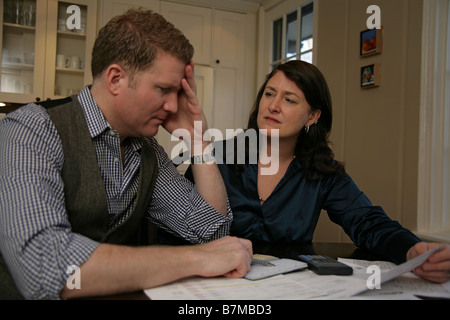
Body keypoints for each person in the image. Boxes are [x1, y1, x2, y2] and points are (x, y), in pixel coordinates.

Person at [0, 9, 252, 300]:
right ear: (116, 79)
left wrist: (198, 142)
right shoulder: (30, 129)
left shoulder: (147, 153)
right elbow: (46, 268)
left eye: (178, 93)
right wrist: (196, 259)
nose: (173, 106)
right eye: (163, 89)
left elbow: (213, 233)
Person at [195, 60, 450, 284]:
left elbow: (368, 222)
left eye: (289, 99)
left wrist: (412, 250)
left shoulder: (322, 172)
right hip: (218, 284)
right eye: (269, 94)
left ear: (312, 116)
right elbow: (181, 227)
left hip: (291, 289)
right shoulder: (215, 157)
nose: (273, 106)